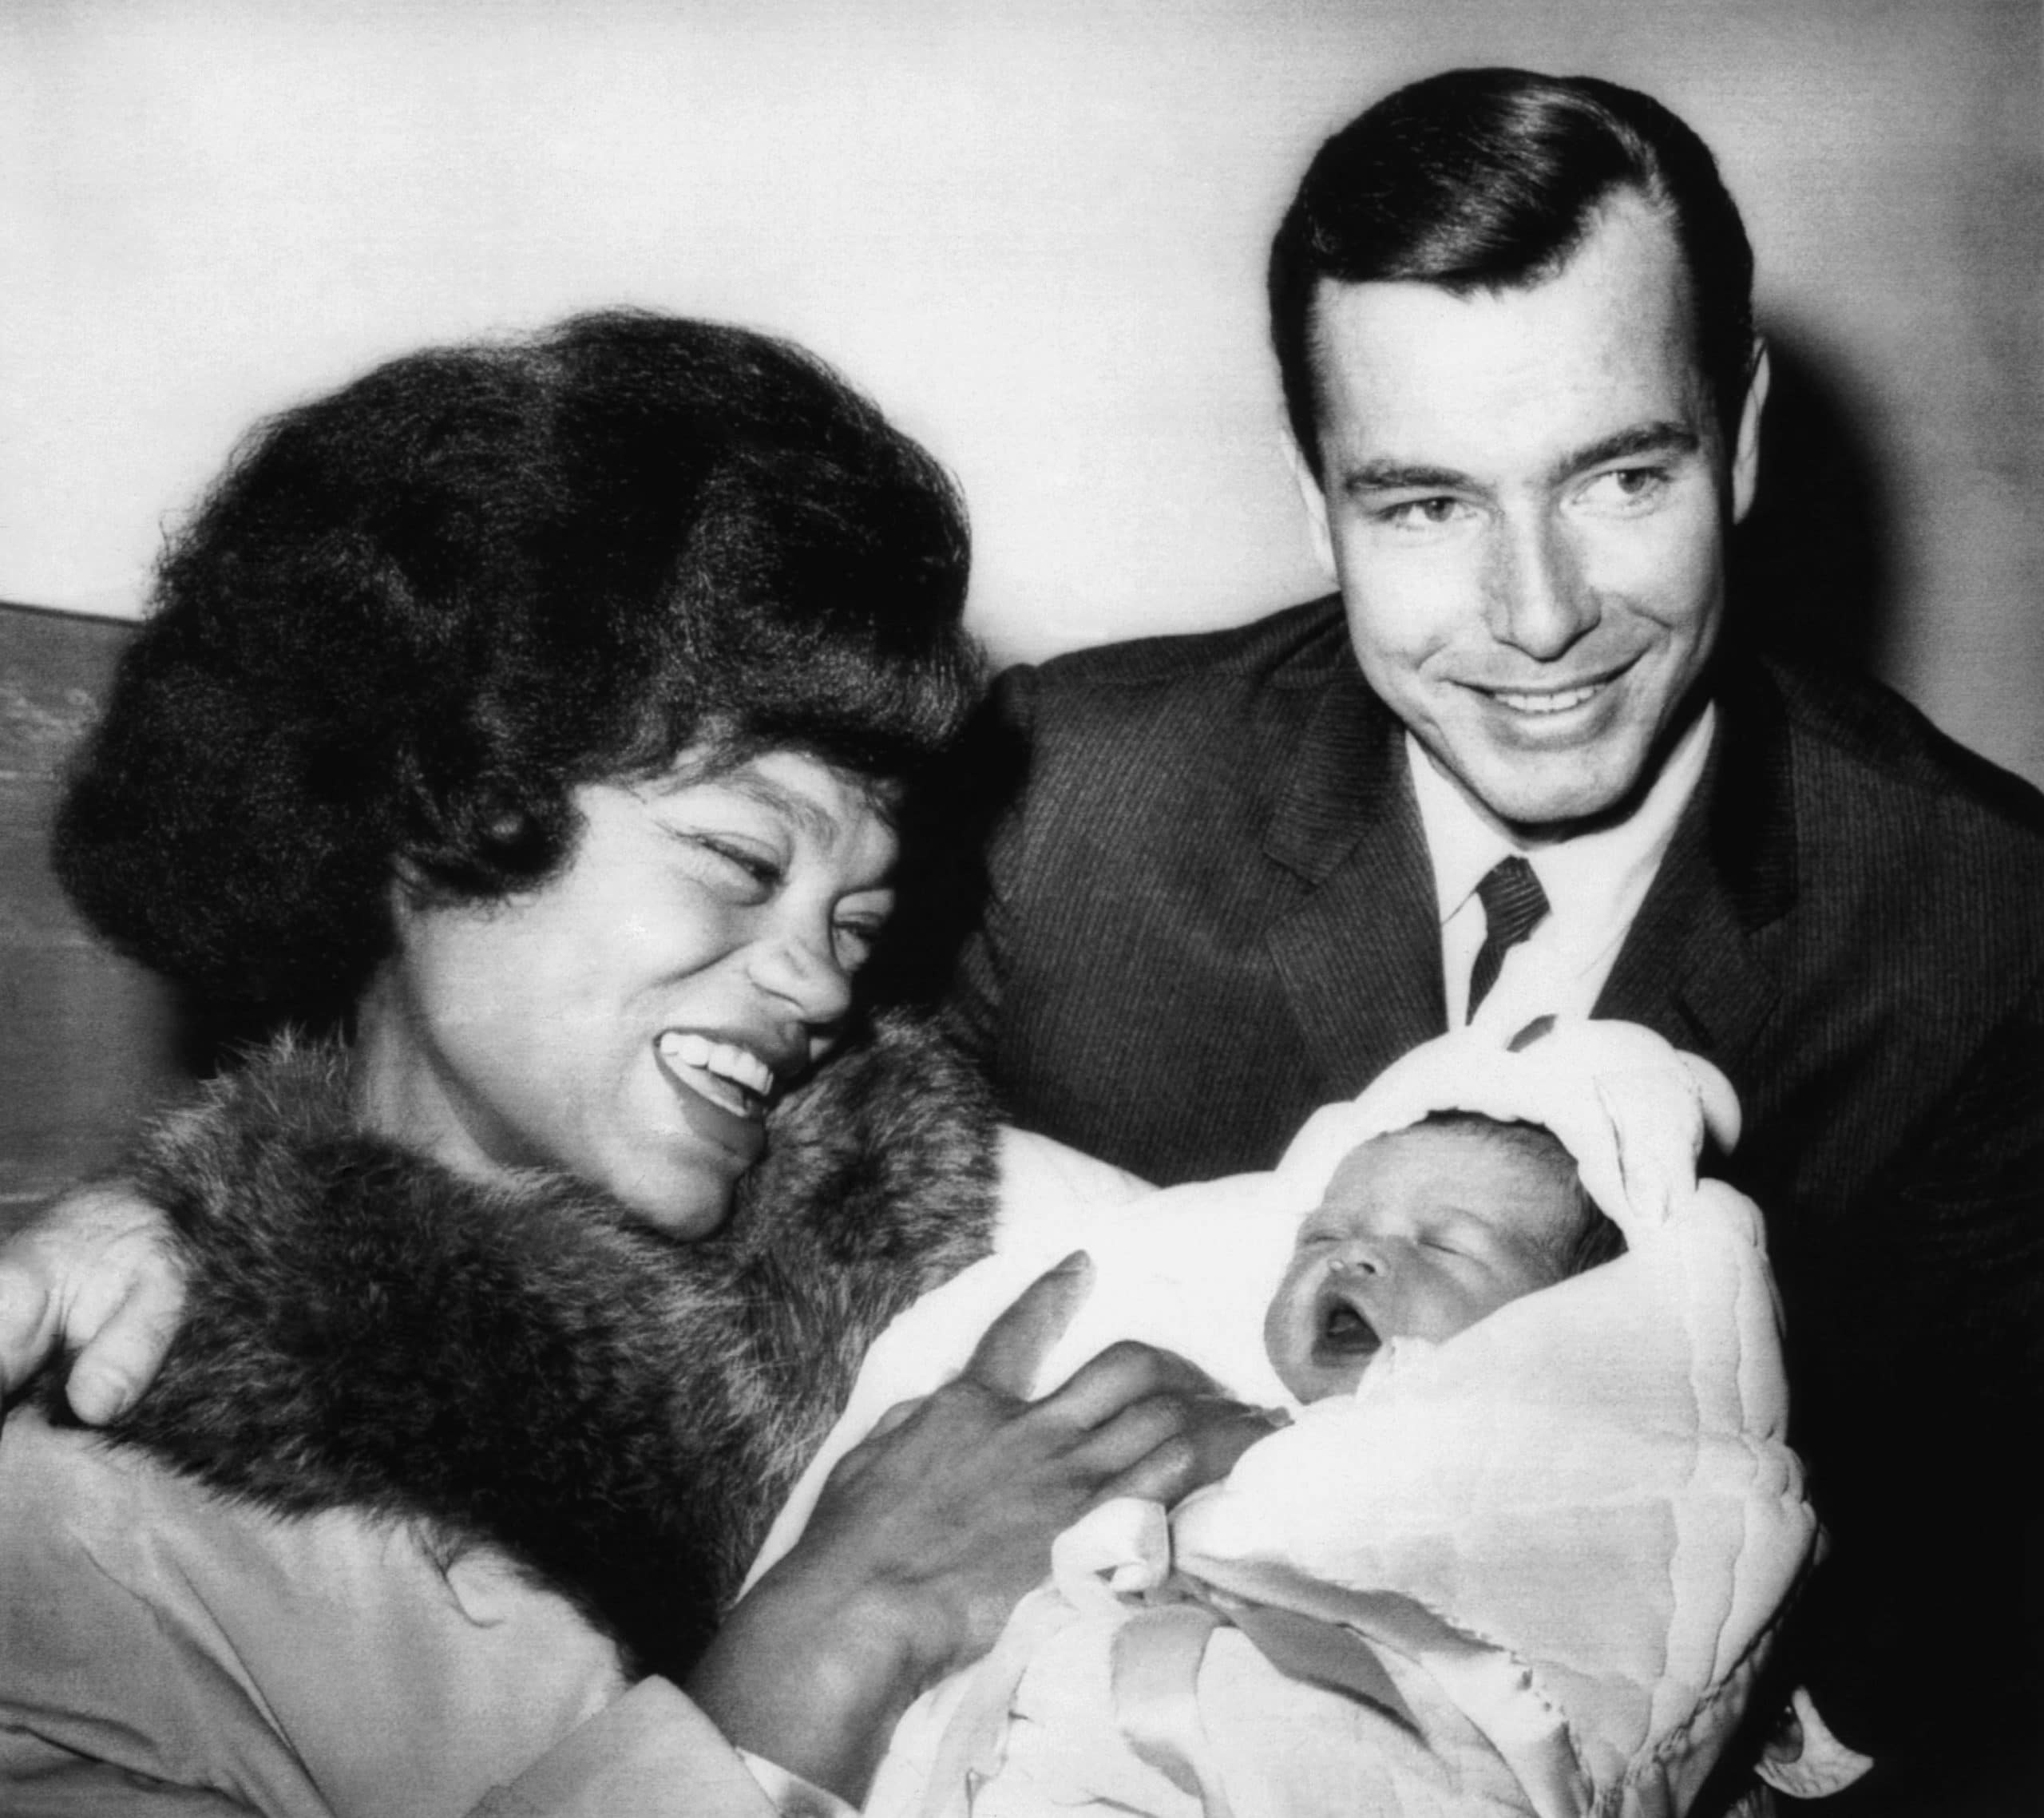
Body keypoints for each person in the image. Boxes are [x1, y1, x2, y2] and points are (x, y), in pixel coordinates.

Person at [0, 311, 1270, 1818]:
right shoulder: (86, 1536)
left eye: (859, 916)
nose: (822, 980)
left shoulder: (1020, 1233)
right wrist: (827, 1636)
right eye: (741, 855)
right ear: (437, 807)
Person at [939, 67, 2044, 1799]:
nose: (1537, 618)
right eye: (1424, 505)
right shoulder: (1057, 816)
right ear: (1315, 503)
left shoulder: (1986, 934)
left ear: (1736, 442)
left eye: (1617, 478)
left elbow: (1981, 1654)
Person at [756, 1019, 1829, 1816]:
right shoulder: (1229, 1412)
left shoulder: (1553, 1440)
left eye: (1447, 1244)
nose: (1358, 1253)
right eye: (1325, 1234)